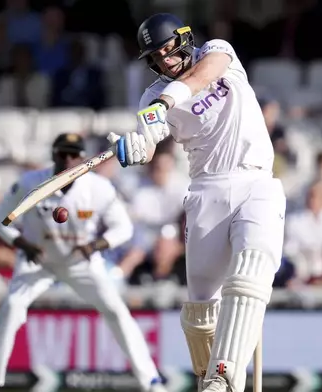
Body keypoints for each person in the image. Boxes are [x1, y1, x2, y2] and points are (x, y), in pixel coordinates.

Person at [115, 13, 286, 392]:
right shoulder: (151, 97)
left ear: (183, 39)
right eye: (155, 58)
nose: (164, 61)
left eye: (167, 51)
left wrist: (165, 101)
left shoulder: (218, 52)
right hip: (205, 191)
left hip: (255, 180)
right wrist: (136, 147)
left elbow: (202, 75)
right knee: (200, 309)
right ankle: (208, 381)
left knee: (252, 271)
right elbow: (151, 136)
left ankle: (223, 378)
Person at [0, 133, 166, 392]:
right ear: (53, 155)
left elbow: (124, 229)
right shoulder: (30, 183)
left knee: (116, 310)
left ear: (83, 158)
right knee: (11, 305)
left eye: (73, 154)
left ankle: (151, 381)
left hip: (80, 262)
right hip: (38, 260)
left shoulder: (99, 188)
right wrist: (22, 244)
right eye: (62, 153)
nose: (67, 159)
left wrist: (95, 245)